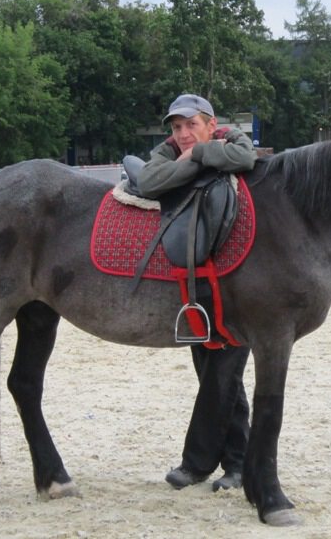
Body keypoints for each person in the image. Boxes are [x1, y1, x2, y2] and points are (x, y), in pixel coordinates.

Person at [137, 93, 256, 491]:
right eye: (176, 127)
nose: (183, 134)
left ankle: (199, 463)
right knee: (215, 372)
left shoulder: (232, 138)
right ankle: (238, 464)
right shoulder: (168, 150)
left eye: (191, 125)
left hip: (237, 276)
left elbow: (244, 159)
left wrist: (197, 156)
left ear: (210, 123)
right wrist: (197, 158)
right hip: (195, 278)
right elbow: (150, 182)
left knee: (221, 371)